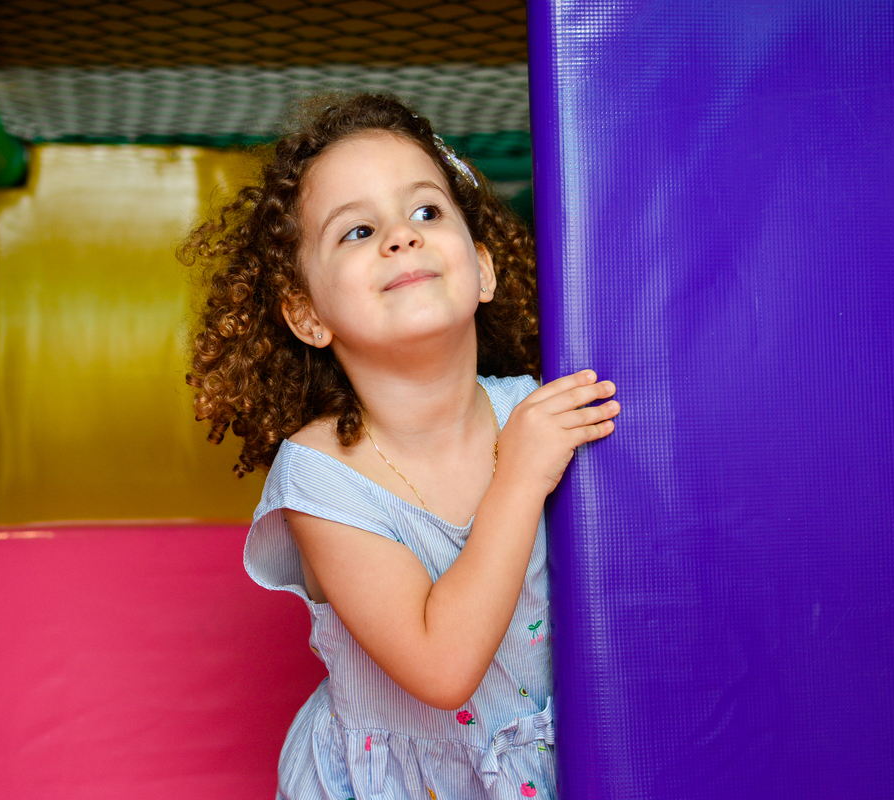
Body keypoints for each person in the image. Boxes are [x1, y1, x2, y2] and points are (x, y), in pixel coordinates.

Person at [182, 92, 618, 799]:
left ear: (482, 269)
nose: (401, 237)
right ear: (308, 314)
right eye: (357, 231)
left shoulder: (534, 412)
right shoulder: (321, 476)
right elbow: (442, 668)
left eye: (426, 212)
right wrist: (519, 478)